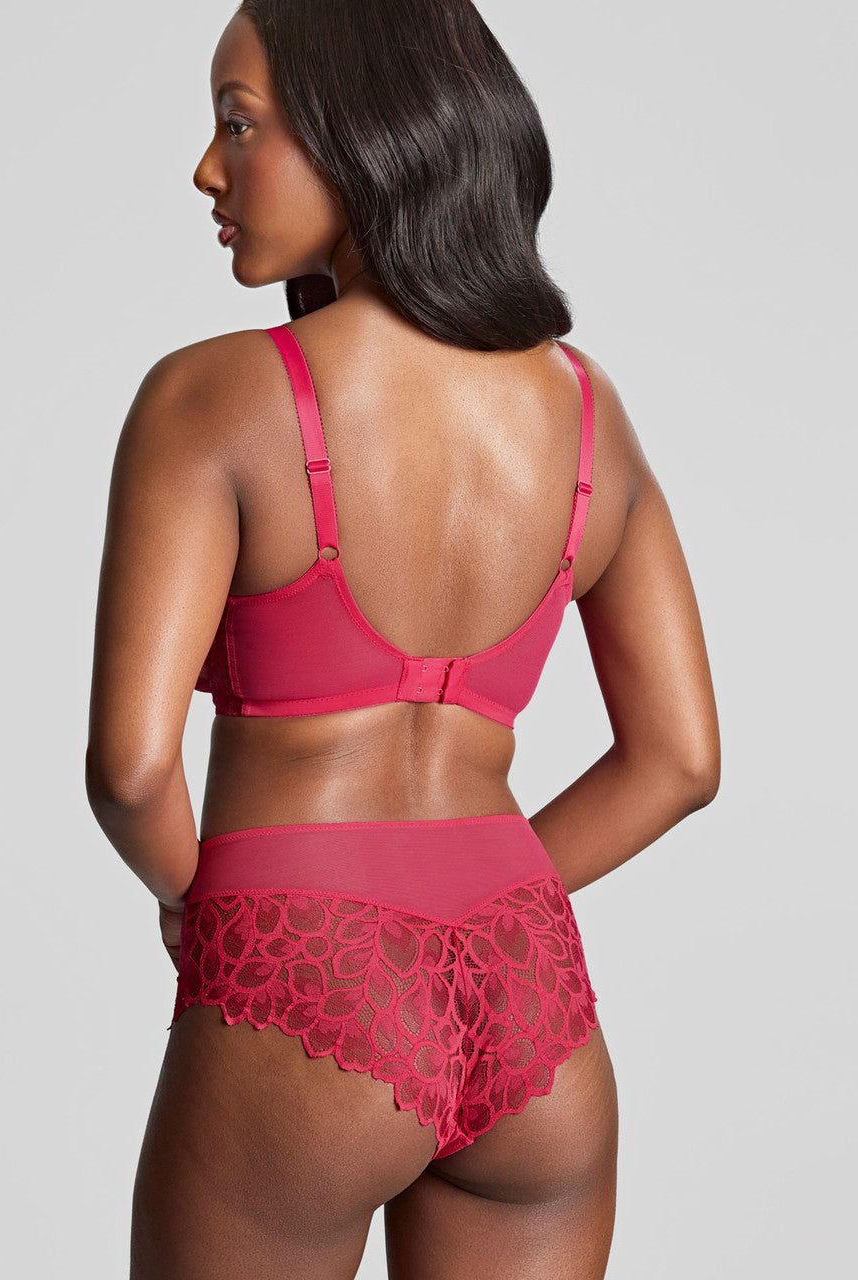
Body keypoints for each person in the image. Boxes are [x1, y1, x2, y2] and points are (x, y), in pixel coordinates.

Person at [86, 2, 720, 1276]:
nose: (207, 168)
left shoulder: (213, 395)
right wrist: (475, 907)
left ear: (361, 130)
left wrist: (199, 905)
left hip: (299, 978)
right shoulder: (589, 410)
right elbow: (682, 760)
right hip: (530, 999)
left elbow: (133, 770)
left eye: (238, 124)